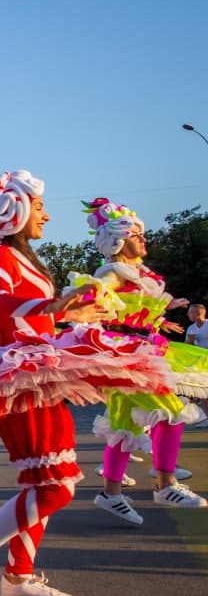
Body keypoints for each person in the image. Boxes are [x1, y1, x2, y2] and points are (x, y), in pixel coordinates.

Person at [0, 138, 169, 596]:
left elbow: (39, 315)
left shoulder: (27, 259)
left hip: (39, 368)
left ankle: (18, 576)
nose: (46, 215)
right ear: (15, 210)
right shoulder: (0, 257)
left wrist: (75, 313)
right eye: (40, 206)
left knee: (49, 483)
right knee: (56, 486)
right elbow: (7, 310)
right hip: (16, 374)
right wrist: (57, 303)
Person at [79, 199, 207, 524]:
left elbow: (129, 312)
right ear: (119, 241)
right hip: (127, 356)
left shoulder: (138, 274)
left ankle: (110, 493)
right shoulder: (113, 271)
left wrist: (158, 320)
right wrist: (89, 298)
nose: (144, 239)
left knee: (125, 426)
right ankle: (165, 484)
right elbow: (99, 294)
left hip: (141, 350)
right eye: (137, 234)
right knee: (170, 410)